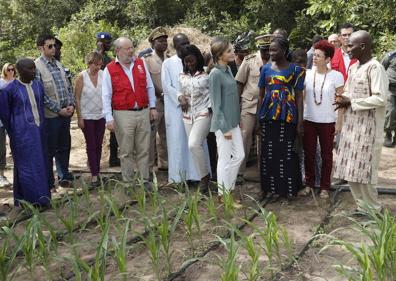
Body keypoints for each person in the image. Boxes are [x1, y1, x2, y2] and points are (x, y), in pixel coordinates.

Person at [333, 30, 389, 212]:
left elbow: (380, 99)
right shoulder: (354, 67)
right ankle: (362, 207)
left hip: (369, 130)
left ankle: (374, 210)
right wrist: (343, 100)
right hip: (352, 128)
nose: (347, 49)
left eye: (351, 45)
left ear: (363, 46)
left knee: (366, 172)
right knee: (351, 171)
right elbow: (349, 91)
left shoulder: (375, 68)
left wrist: (353, 102)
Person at [102, 37, 157, 185]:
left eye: (132, 47)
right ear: (118, 51)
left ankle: (144, 180)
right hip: (122, 114)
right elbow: (106, 95)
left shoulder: (140, 63)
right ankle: (128, 182)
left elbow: (149, 86)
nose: (131, 51)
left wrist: (152, 107)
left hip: (143, 111)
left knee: (144, 149)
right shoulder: (110, 69)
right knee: (126, 151)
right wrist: (108, 118)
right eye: (128, 48)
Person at [258, 37, 305, 199]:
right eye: (270, 50)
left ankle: (288, 190)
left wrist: (300, 122)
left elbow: (299, 97)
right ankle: (267, 188)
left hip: (288, 115)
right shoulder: (265, 69)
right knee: (267, 153)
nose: (271, 53)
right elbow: (261, 94)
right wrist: (259, 117)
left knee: (286, 153)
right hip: (268, 114)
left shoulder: (296, 70)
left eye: (275, 49)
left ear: (284, 51)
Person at [0, 58, 51, 206]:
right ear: (20, 71)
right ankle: (31, 201)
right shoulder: (9, 90)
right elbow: (5, 114)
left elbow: (40, 108)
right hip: (22, 134)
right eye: (30, 69)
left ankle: (42, 198)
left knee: (41, 163)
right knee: (26, 166)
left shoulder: (38, 86)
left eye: (34, 68)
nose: (33, 71)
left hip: (39, 131)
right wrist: (15, 131)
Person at [299, 40, 344, 199]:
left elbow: (341, 102)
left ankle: (325, 186)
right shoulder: (307, 74)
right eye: (314, 55)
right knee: (309, 154)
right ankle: (309, 184)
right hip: (309, 119)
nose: (315, 58)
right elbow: (301, 97)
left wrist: (339, 122)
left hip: (328, 121)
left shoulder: (336, 76)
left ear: (327, 59)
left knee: (327, 155)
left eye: (318, 56)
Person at [161, 33, 203, 183]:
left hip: (194, 108)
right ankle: (178, 178)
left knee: (194, 142)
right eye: (181, 45)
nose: (185, 46)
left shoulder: (194, 61)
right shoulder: (168, 63)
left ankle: (197, 176)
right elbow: (166, 86)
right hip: (175, 109)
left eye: (187, 43)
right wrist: (180, 97)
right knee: (178, 142)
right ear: (174, 47)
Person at [35, 34, 75, 189]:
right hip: (51, 116)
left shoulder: (58, 65)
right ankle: (49, 181)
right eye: (49, 46)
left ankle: (64, 176)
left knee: (64, 147)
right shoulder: (37, 67)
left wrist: (71, 105)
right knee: (49, 149)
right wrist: (59, 110)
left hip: (66, 114)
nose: (54, 48)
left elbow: (68, 87)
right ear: (40, 48)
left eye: (54, 46)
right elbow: (41, 95)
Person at [209, 38, 245, 205]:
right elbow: (216, 105)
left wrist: (238, 120)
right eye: (229, 51)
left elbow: (232, 99)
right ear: (219, 55)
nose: (233, 53)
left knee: (239, 155)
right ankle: (224, 195)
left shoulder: (228, 69)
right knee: (224, 160)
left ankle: (227, 189)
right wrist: (224, 128)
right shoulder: (215, 74)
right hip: (223, 125)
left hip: (233, 122)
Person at [235, 34, 273, 184]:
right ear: (259, 48)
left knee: (266, 138)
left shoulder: (275, 61)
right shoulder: (250, 60)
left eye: (269, 49)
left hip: (269, 106)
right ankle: (239, 172)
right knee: (245, 136)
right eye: (264, 50)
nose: (267, 53)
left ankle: (263, 171)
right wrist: (237, 106)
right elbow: (239, 83)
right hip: (249, 104)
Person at [178, 45, 212, 192]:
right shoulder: (181, 76)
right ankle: (203, 176)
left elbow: (213, 93)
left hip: (204, 113)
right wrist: (180, 97)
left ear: (197, 59)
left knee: (193, 144)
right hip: (187, 115)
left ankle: (205, 179)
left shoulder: (207, 75)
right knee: (194, 148)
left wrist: (211, 108)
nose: (189, 64)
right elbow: (179, 90)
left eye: (191, 61)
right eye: (186, 62)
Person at [75, 52, 105, 187]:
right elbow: (77, 98)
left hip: (100, 115)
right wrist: (79, 117)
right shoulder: (82, 77)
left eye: (100, 64)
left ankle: (97, 170)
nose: (98, 67)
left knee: (99, 145)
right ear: (89, 63)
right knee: (91, 145)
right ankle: (94, 174)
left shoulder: (103, 75)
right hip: (87, 116)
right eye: (95, 64)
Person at [143, 27, 169, 172]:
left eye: (165, 40)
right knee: (151, 135)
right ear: (153, 44)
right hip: (155, 103)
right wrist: (161, 94)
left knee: (165, 134)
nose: (164, 43)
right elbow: (148, 82)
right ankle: (148, 166)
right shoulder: (146, 60)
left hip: (169, 103)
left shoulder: (170, 59)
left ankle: (164, 163)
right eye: (160, 41)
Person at [96, 31, 120, 167]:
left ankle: (113, 157)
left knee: (113, 129)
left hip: (109, 97)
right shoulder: (95, 56)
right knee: (97, 130)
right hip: (97, 98)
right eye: (107, 43)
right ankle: (94, 161)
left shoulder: (110, 59)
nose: (109, 45)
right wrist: (99, 51)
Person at [0, 63, 16, 188]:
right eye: (8, 69)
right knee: (1, 149)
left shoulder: (17, 83)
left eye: (13, 69)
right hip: (1, 122)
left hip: (14, 120)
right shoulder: (1, 83)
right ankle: (1, 175)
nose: (11, 71)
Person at [382, 49, 396, 147]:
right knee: (391, 111)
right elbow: (381, 68)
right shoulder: (391, 55)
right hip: (390, 89)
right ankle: (388, 133)